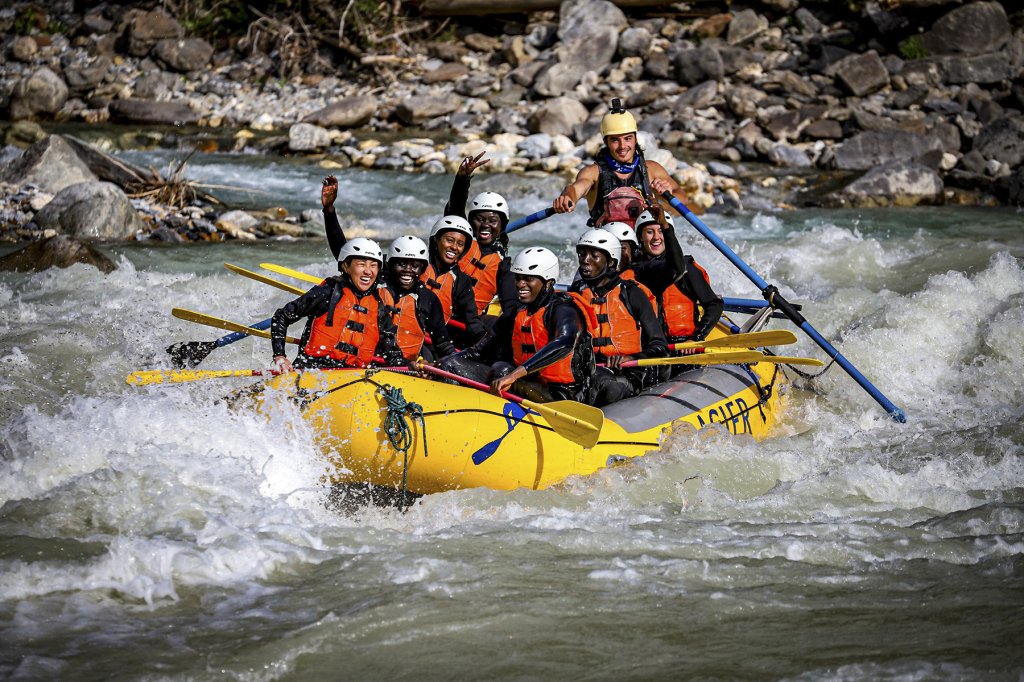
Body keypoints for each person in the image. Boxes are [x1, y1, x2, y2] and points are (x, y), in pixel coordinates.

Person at [441, 247, 596, 404]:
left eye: (528, 279)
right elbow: (478, 351)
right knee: (450, 365)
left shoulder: (564, 309)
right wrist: (439, 365)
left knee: (502, 370)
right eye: (518, 278)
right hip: (525, 383)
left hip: (561, 395)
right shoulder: (517, 312)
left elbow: (565, 343)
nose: (520, 284)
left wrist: (515, 374)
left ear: (548, 283)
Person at [552, 98, 690, 228]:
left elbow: (682, 199)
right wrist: (566, 198)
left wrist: (667, 196)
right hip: (608, 244)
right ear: (606, 142)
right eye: (615, 140)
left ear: (635, 139)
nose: (622, 146)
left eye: (628, 138)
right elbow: (575, 190)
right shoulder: (593, 173)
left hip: (647, 242)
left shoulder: (652, 169)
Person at [271, 238, 405, 372]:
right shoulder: (328, 292)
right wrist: (280, 356)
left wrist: (411, 368)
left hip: (354, 376)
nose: (368, 271)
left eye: (373, 265)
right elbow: (281, 317)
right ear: (346, 266)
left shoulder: (378, 307)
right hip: (313, 371)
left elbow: (393, 354)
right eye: (361, 264)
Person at [570, 229, 667, 406]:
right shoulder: (576, 295)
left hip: (627, 375)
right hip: (589, 372)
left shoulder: (632, 293)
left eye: (594, 255)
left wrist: (632, 358)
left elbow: (660, 346)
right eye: (582, 254)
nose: (585, 260)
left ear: (611, 261)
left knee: (602, 382)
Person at [632, 206, 723, 349]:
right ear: (640, 237)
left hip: (683, 346)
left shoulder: (687, 268)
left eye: (661, 231)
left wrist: (696, 338)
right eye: (649, 232)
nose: (656, 237)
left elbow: (714, 304)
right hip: (653, 348)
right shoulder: (637, 270)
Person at [443, 153, 517, 318]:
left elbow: (511, 302)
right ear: (470, 222)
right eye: (480, 219)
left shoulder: (504, 264)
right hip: (438, 313)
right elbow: (454, 211)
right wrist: (462, 179)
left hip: (472, 323)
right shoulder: (461, 242)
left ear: (502, 225)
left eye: (492, 221)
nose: (485, 225)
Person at [381, 235, 456, 362]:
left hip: (409, 368)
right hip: (375, 362)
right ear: (390, 264)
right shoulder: (375, 291)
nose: (407, 270)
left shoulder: (428, 299)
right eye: (401, 264)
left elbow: (442, 343)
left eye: (415, 266)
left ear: (422, 269)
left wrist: (456, 361)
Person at [422, 215, 486, 346]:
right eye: (449, 240)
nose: (454, 247)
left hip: (434, 344)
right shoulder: (416, 266)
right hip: (401, 337)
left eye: (460, 244)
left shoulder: (461, 281)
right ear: (436, 240)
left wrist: (486, 344)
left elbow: (472, 321)